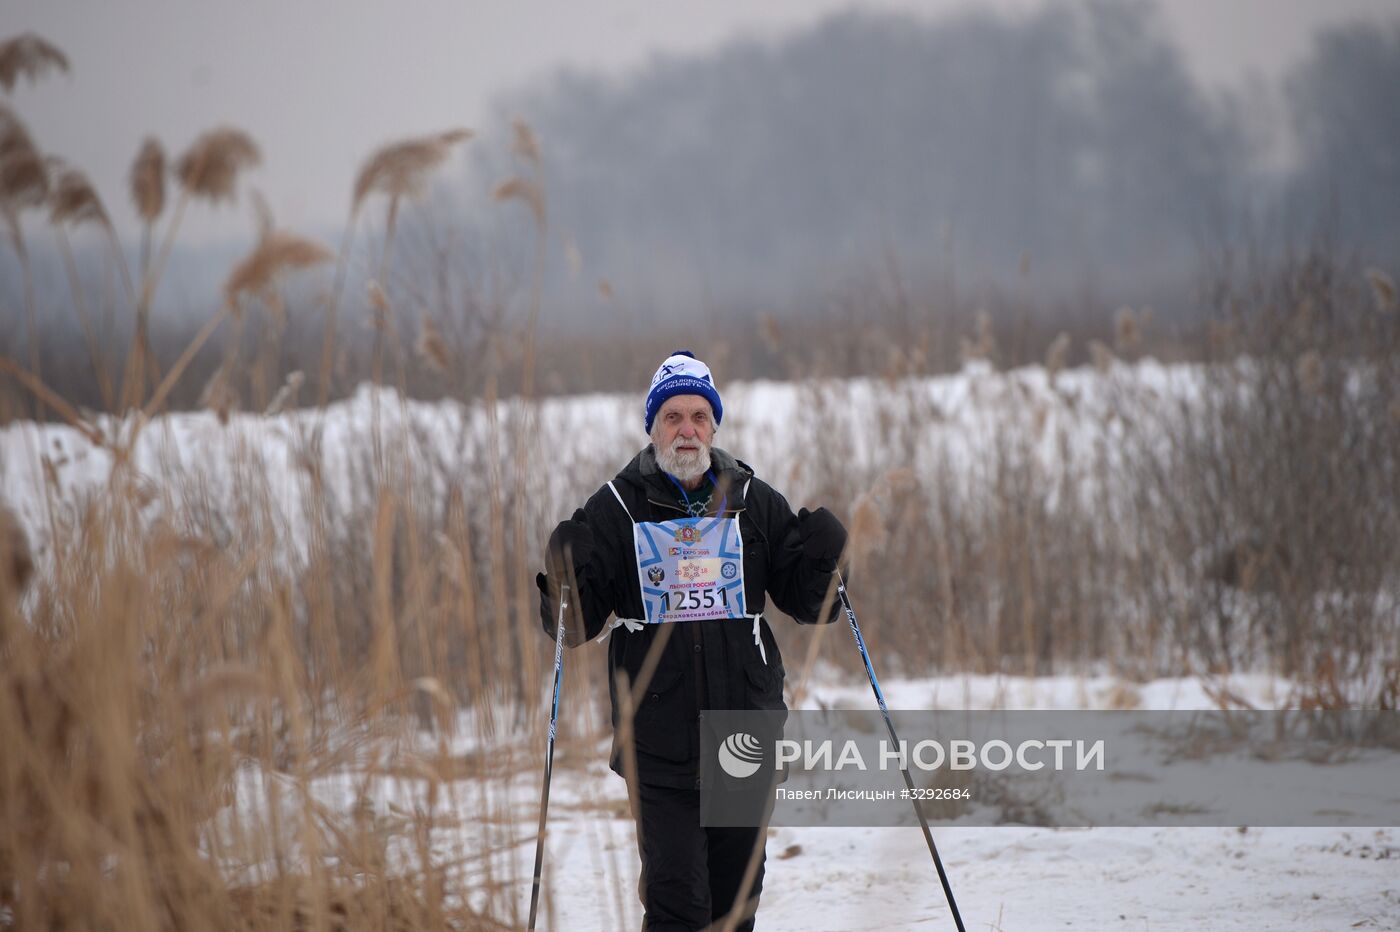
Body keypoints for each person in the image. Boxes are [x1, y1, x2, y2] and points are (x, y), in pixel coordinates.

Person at [536, 350, 848, 931]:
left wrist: (827, 560)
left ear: (714, 426)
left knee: (734, 909)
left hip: (744, 733)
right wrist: (564, 576)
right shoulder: (618, 507)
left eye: (699, 417)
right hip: (657, 738)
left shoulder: (751, 501)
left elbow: (811, 605)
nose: (686, 430)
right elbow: (571, 628)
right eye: (673, 416)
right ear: (652, 426)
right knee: (678, 904)